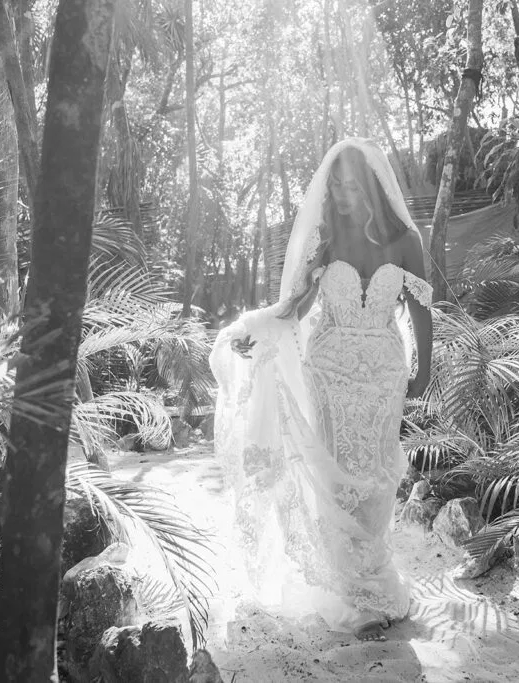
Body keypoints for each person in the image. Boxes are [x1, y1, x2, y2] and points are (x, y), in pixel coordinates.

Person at [209, 138, 433, 641]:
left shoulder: (405, 241)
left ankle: (374, 580)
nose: (345, 193)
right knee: (337, 475)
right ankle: (351, 593)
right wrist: (257, 332)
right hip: (329, 372)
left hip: (383, 372)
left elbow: (421, 309)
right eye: (337, 185)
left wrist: (425, 366)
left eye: (353, 185)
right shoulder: (325, 241)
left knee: (377, 473)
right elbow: (295, 308)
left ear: (373, 186)